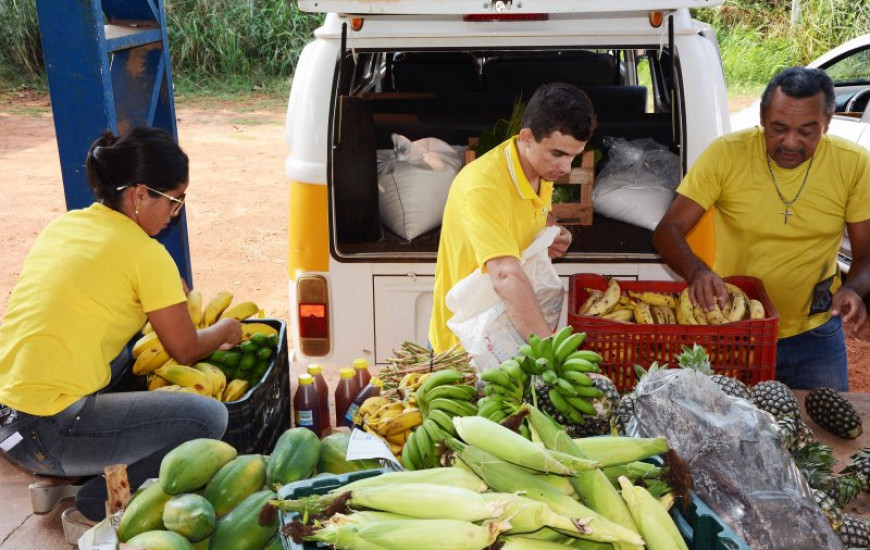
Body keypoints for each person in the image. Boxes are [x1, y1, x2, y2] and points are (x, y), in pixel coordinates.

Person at [0, 127, 242, 510]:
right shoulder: (146, 254)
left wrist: (160, 293)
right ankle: (97, 501)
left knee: (123, 356)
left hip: (10, 415)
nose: (175, 213)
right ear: (140, 194)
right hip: (45, 429)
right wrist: (226, 330)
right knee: (208, 419)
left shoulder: (68, 225)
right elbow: (185, 349)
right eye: (174, 201)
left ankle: (76, 468)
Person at [653, 67, 870, 391]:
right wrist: (697, 271)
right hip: (733, 328)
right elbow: (668, 229)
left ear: (826, 123)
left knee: (823, 437)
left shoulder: (853, 164)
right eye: (778, 128)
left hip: (815, 336)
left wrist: (853, 289)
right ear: (762, 116)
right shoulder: (726, 154)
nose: (790, 142)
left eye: (807, 132)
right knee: (724, 434)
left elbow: (866, 253)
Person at [428, 82, 597, 352]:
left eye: (574, 157)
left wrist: (551, 229)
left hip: (506, 335)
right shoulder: (484, 185)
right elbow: (505, 275)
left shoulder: (539, 168)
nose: (565, 168)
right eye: (558, 154)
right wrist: (552, 353)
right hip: (463, 347)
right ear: (527, 137)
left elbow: (530, 209)